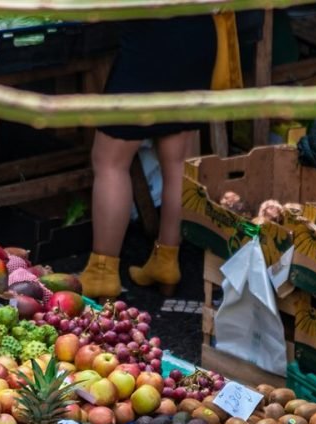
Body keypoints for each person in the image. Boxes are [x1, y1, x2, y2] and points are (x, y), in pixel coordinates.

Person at [77, 15, 218, 300]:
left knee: (110, 162)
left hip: (151, 44)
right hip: (199, 35)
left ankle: (102, 274)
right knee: (176, 161)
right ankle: (166, 261)